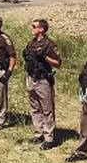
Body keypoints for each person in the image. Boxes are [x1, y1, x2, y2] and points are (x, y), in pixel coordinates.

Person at [22, 18, 61, 149]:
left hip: (43, 80)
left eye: (34, 26)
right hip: (31, 78)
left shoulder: (49, 44)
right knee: (34, 107)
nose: (31, 28)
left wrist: (45, 57)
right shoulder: (31, 43)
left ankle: (49, 137)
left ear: (41, 29)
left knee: (47, 109)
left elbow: (58, 63)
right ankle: (38, 133)